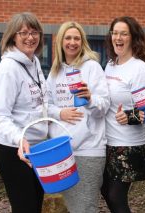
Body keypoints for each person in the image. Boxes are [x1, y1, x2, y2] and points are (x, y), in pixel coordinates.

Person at [47, 21, 110, 213]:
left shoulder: (92, 67)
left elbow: (104, 105)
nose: (72, 42)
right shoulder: (55, 70)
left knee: (85, 206)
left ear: (82, 41)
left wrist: (90, 99)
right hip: (63, 151)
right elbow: (46, 104)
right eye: (68, 38)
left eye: (76, 38)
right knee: (74, 206)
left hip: (89, 149)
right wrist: (60, 112)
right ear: (60, 42)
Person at [0, 12, 47, 213]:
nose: (30, 37)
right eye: (23, 32)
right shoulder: (8, 69)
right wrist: (19, 138)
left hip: (34, 148)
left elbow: (39, 102)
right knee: (25, 207)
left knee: (36, 203)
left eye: (34, 32)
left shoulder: (34, 62)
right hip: (12, 149)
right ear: (13, 36)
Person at [101, 16, 145, 213]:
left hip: (128, 145)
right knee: (106, 191)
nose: (118, 37)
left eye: (124, 33)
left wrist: (129, 116)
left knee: (116, 196)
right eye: (115, 33)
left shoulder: (140, 69)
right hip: (107, 142)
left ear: (133, 38)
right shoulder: (111, 65)